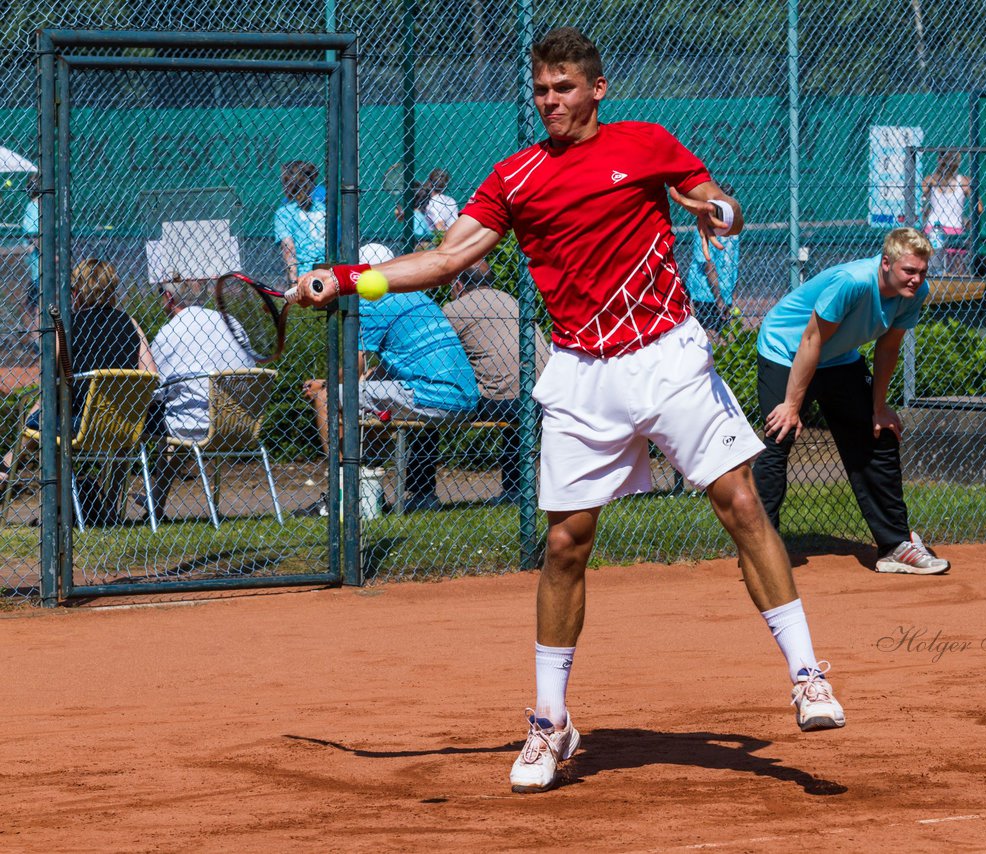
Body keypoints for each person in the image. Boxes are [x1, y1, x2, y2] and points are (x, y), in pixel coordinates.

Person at [297, 26, 845, 795]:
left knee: (741, 501)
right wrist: (351, 279)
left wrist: (722, 212)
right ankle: (551, 723)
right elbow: (449, 257)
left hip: (666, 355)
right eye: (542, 90)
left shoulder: (645, 143)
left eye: (564, 87)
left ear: (596, 89)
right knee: (565, 545)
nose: (551, 101)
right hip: (582, 372)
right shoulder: (516, 176)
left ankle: (808, 677)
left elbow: (711, 200)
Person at [752, 227, 950, 577]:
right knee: (779, 435)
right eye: (909, 271)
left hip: (838, 357)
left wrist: (879, 407)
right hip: (787, 350)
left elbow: (887, 347)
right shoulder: (852, 282)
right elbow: (811, 341)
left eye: (922, 272)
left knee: (879, 435)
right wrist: (792, 406)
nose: (917, 279)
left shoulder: (914, 293)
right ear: (886, 263)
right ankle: (760, 549)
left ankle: (895, 546)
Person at [300, 243, 479, 514]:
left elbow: (355, 365)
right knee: (371, 389)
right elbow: (375, 372)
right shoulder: (416, 296)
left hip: (431, 395)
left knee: (327, 398)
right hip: (464, 398)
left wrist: (325, 385)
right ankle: (369, 491)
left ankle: (341, 491)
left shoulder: (373, 301)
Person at [0, 259, 157, 522]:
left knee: (43, 414)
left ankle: (12, 473)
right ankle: (108, 506)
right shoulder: (130, 323)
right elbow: (151, 374)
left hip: (78, 424)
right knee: (105, 433)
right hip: (123, 423)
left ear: (76, 292)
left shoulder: (68, 327)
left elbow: (51, 378)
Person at [142, 278, 256, 518]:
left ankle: (124, 503)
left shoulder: (170, 331)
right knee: (180, 411)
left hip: (194, 424)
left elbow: (152, 388)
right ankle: (155, 501)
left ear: (169, 298)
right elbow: (251, 368)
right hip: (241, 421)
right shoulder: (230, 321)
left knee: (155, 415)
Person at [442, 261, 549, 502]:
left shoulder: (455, 309)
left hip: (503, 401)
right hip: (542, 395)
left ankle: (422, 491)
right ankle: (516, 490)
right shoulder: (511, 300)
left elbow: (437, 354)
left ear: (458, 285)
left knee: (434, 402)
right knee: (511, 389)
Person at [683, 182, 740, 334]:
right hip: (705, 295)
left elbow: (733, 264)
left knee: (726, 338)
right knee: (706, 338)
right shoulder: (704, 228)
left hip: (725, 294)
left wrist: (730, 297)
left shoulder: (732, 230)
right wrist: (720, 300)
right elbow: (709, 266)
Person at [920, 150, 976, 275]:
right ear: (958, 162)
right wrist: (967, 221)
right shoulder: (965, 182)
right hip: (955, 230)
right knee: (956, 274)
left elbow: (917, 201)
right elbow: (979, 208)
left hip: (933, 229)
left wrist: (925, 212)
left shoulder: (930, 180)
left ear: (938, 161)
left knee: (931, 271)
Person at [273, 160, 326, 281]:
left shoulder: (284, 213)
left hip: (305, 276)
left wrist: (293, 283)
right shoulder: (325, 209)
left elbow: (289, 250)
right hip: (329, 273)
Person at [396, 168, 460, 251]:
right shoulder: (451, 201)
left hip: (439, 245)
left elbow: (440, 226)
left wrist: (445, 245)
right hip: (455, 239)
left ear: (430, 182)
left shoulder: (431, 204)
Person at [21, 175, 40, 348]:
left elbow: (34, 235)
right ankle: (37, 342)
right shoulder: (35, 207)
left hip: (38, 268)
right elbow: (34, 236)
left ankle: (37, 341)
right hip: (38, 267)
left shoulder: (34, 207)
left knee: (34, 304)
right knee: (33, 304)